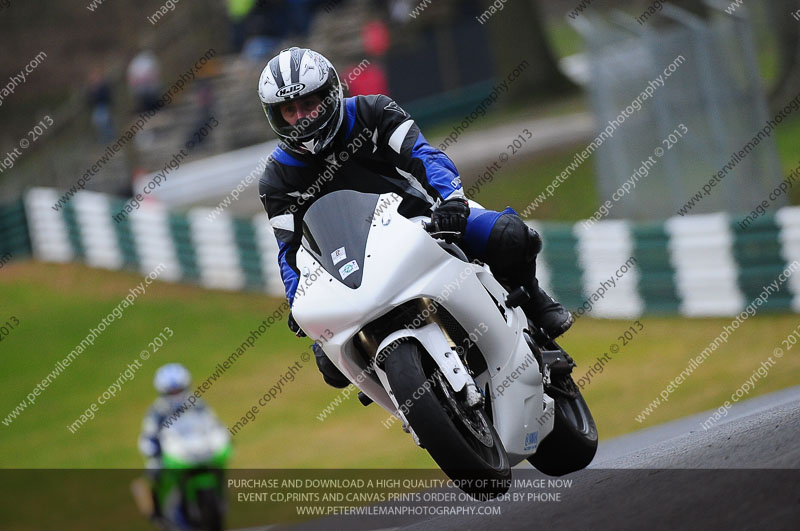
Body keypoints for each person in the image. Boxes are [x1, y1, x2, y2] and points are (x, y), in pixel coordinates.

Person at [257, 47, 573, 388]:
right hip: (350, 266)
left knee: (509, 235)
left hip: (424, 222)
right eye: (289, 110)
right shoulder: (277, 179)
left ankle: (534, 301)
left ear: (330, 95)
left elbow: (422, 155)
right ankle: (409, 395)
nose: (301, 117)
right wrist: (298, 301)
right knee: (331, 366)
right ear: (276, 116)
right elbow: (289, 250)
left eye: (309, 104)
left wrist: (451, 200)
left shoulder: (373, 111)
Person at [137, 363, 209, 519]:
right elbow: (148, 437)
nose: (176, 394)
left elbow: (210, 424)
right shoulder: (157, 412)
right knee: (155, 475)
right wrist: (154, 454)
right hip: (171, 455)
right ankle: (157, 513)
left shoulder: (197, 405)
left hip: (196, 450)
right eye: (171, 391)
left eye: (179, 390)